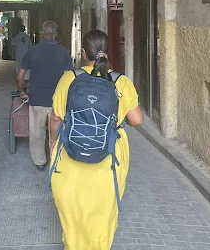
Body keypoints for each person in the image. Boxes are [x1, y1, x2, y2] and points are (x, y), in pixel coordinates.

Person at [49, 29, 143, 250]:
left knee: (73, 214)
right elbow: (137, 119)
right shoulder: (121, 81)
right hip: (109, 156)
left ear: (83, 53)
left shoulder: (69, 78)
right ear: (106, 53)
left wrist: (53, 141)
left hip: (71, 154)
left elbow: (55, 117)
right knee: (103, 214)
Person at [17, 21, 73, 171]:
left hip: (36, 98)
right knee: (57, 131)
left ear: (42, 34)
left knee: (36, 131)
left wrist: (22, 92)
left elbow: (20, 76)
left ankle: (40, 162)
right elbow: (68, 78)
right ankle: (56, 159)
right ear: (56, 34)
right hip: (57, 101)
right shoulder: (64, 52)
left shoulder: (32, 51)